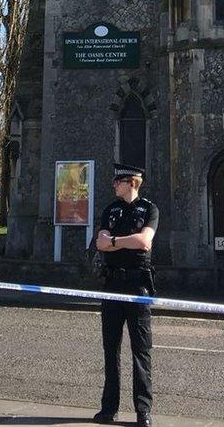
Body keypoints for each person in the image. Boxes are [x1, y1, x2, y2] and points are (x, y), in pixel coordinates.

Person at [92, 163, 158, 427]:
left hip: (138, 287)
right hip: (112, 285)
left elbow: (144, 242)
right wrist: (123, 242)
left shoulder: (149, 209)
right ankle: (109, 409)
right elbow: (100, 241)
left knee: (141, 351)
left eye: (118, 182)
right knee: (111, 349)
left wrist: (116, 242)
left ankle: (143, 411)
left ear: (131, 182)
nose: (113, 186)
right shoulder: (110, 210)